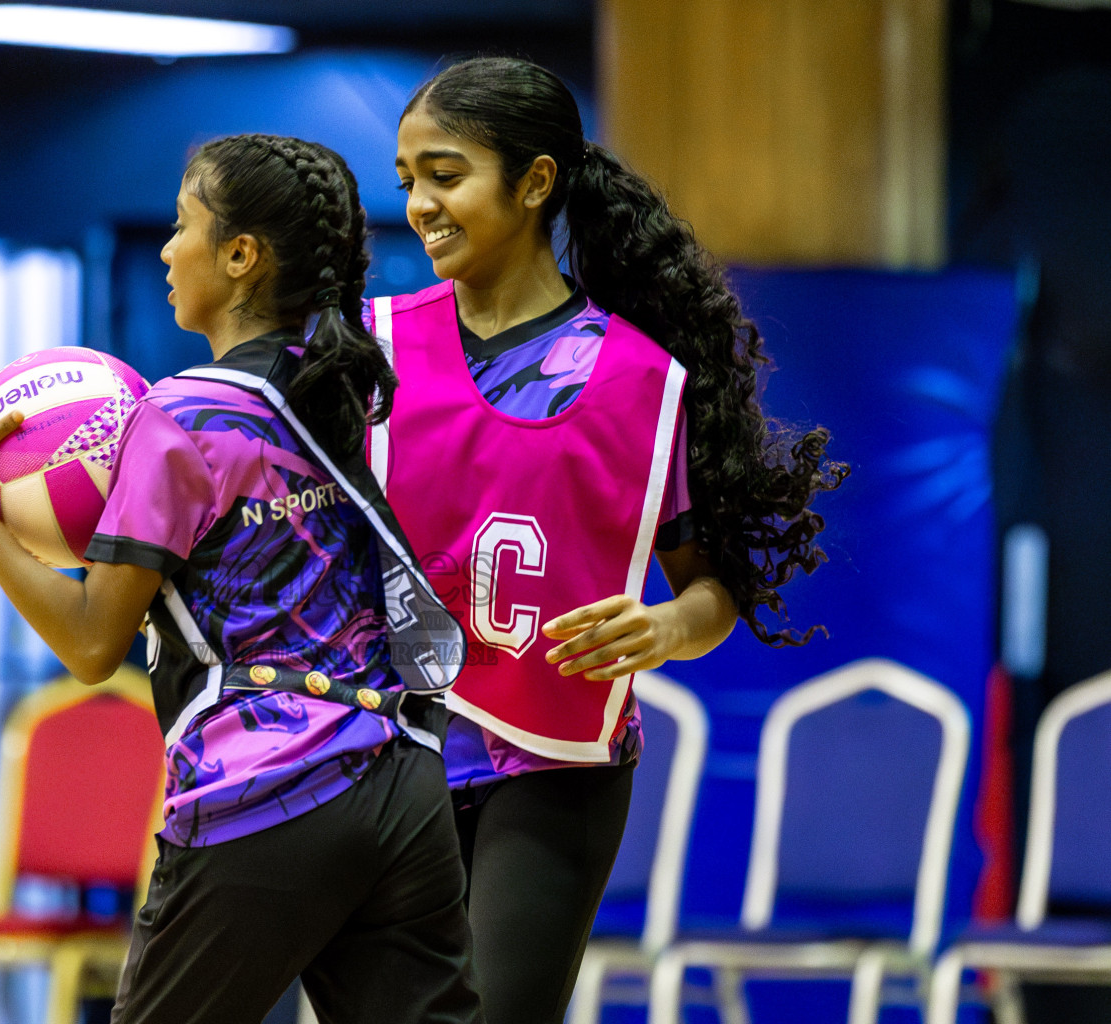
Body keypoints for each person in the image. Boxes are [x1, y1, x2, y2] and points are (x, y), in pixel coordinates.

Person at [0, 134, 484, 1024]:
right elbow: (198, 534)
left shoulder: (175, 415)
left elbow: (90, 643)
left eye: (181, 226)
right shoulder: (339, 385)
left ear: (240, 257)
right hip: (403, 777)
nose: (165, 249)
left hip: (270, 780)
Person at [366, 56, 848, 1024]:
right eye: (407, 177)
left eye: (445, 174)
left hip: (551, 764)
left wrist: (669, 629)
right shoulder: (369, 344)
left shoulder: (639, 378)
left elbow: (713, 587)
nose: (419, 202)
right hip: (386, 747)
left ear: (535, 180)